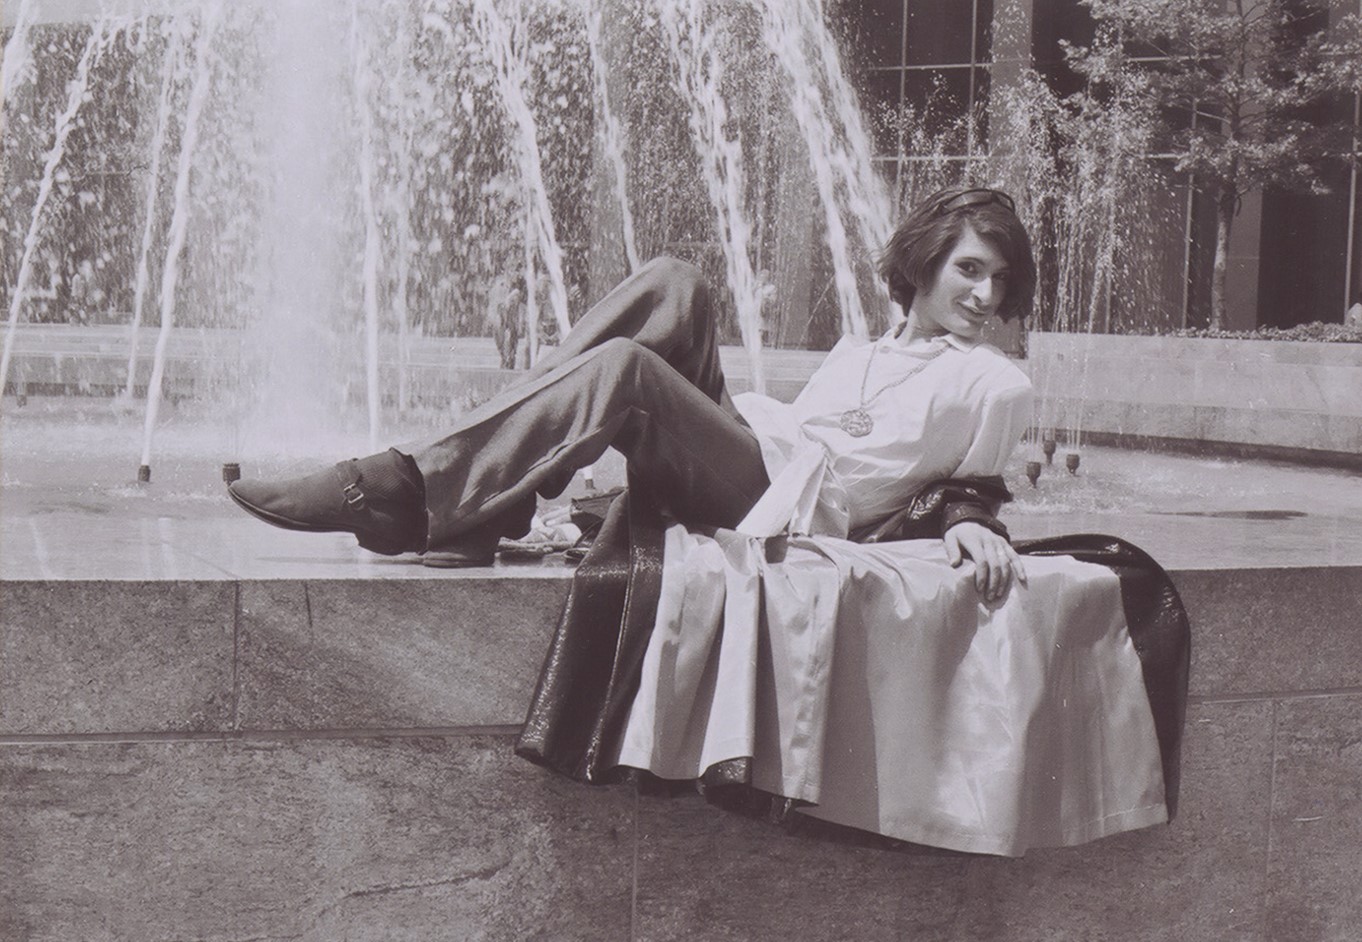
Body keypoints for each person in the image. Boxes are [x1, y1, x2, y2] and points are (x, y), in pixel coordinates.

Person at [229, 186, 1188, 856]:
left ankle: (407, 492)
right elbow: (817, 428)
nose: (986, 297)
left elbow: (969, 485)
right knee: (676, 285)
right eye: (970, 270)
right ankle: (482, 494)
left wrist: (975, 524)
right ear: (926, 263)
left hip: (787, 502)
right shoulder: (862, 349)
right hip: (764, 456)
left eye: (1000, 282)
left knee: (626, 381)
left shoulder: (994, 378)